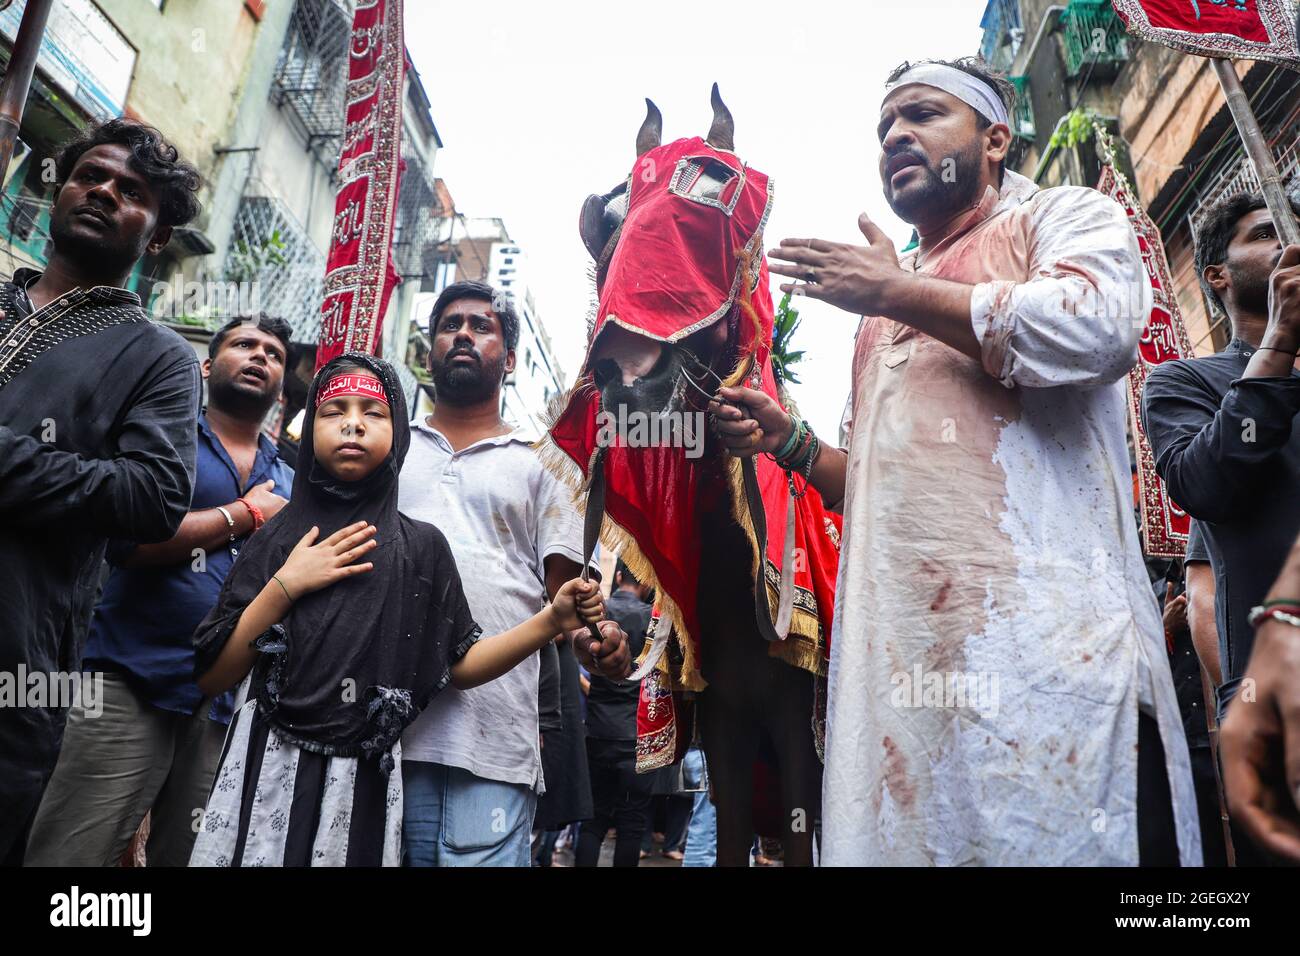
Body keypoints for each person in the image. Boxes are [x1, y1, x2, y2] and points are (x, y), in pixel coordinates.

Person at [710, 56, 1199, 864]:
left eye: (924, 115)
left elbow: (1099, 325)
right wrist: (789, 442)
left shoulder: (1057, 218)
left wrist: (894, 292)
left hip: (1051, 658)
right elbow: (880, 497)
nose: (897, 135)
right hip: (910, 685)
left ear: (995, 137)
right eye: (884, 128)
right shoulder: (878, 312)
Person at [188, 354, 605, 866]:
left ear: (399, 435)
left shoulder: (420, 549)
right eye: (334, 409)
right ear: (310, 425)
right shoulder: (279, 535)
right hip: (264, 773)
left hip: (360, 787)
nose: (353, 423)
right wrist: (284, 586)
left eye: (374, 412)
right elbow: (214, 675)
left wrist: (552, 621)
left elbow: (462, 664)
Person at [0, 119, 203, 863]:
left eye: (132, 191)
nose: (104, 192)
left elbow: (152, 496)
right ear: (59, 189)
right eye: (92, 175)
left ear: (153, 236)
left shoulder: (158, 359)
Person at [24, 315, 294, 867]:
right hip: (131, 676)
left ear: (282, 387)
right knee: (71, 850)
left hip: (226, 703)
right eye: (244, 344)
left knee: (195, 856)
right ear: (206, 365)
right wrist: (246, 514)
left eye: (273, 353)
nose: (260, 356)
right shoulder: (170, 440)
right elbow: (128, 540)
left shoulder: (289, 477)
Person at [397, 281, 631, 866]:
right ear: (430, 350)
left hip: (491, 741)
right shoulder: (389, 447)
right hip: (381, 734)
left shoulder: (543, 459)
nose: (463, 336)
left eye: (482, 326)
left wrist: (596, 643)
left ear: (510, 357)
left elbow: (567, 602)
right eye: (450, 325)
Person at [1141, 195, 1300, 864]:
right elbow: (1203, 483)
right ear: (1216, 274)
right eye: (1265, 235)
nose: (1287, 245)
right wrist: (1280, 344)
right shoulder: (1185, 383)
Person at [575, 560, 652, 867]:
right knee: (631, 824)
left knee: (593, 821)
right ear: (646, 584)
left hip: (598, 731)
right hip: (636, 735)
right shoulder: (652, 619)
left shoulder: (600, 613)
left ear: (618, 576)